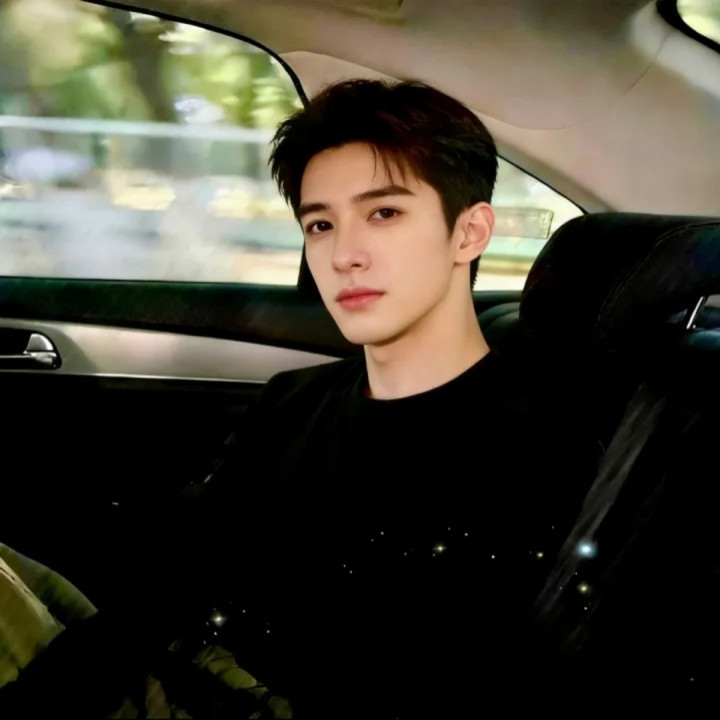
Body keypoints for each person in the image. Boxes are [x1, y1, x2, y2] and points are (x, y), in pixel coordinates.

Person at [0, 79, 599, 718]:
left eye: (384, 213)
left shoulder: (534, 448)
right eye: (320, 224)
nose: (344, 255)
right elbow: (174, 581)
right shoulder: (294, 400)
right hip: (176, 665)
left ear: (469, 233)